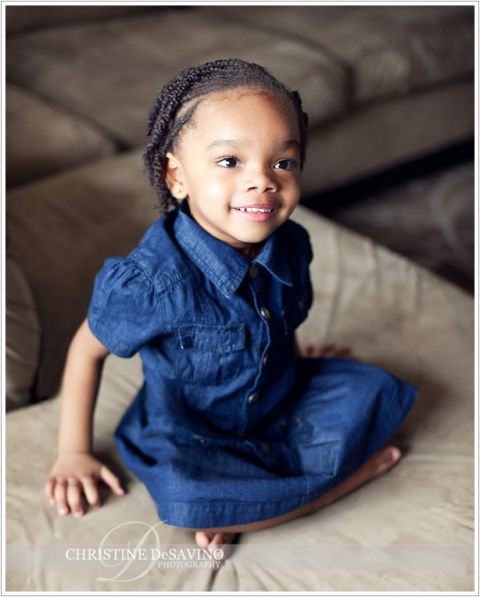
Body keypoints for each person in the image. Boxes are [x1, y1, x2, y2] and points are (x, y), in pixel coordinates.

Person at [44, 58, 418, 559]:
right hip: (193, 435)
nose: (263, 181)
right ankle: (332, 487)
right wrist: (74, 453)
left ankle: (252, 504)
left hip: (278, 401)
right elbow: (85, 352)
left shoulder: (292, 244)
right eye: (229, 162)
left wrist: (298, 355)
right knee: (184, 498)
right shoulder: (150, 281)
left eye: (283, 162)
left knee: (376, 390)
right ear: (176, 176)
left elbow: (272, 324)